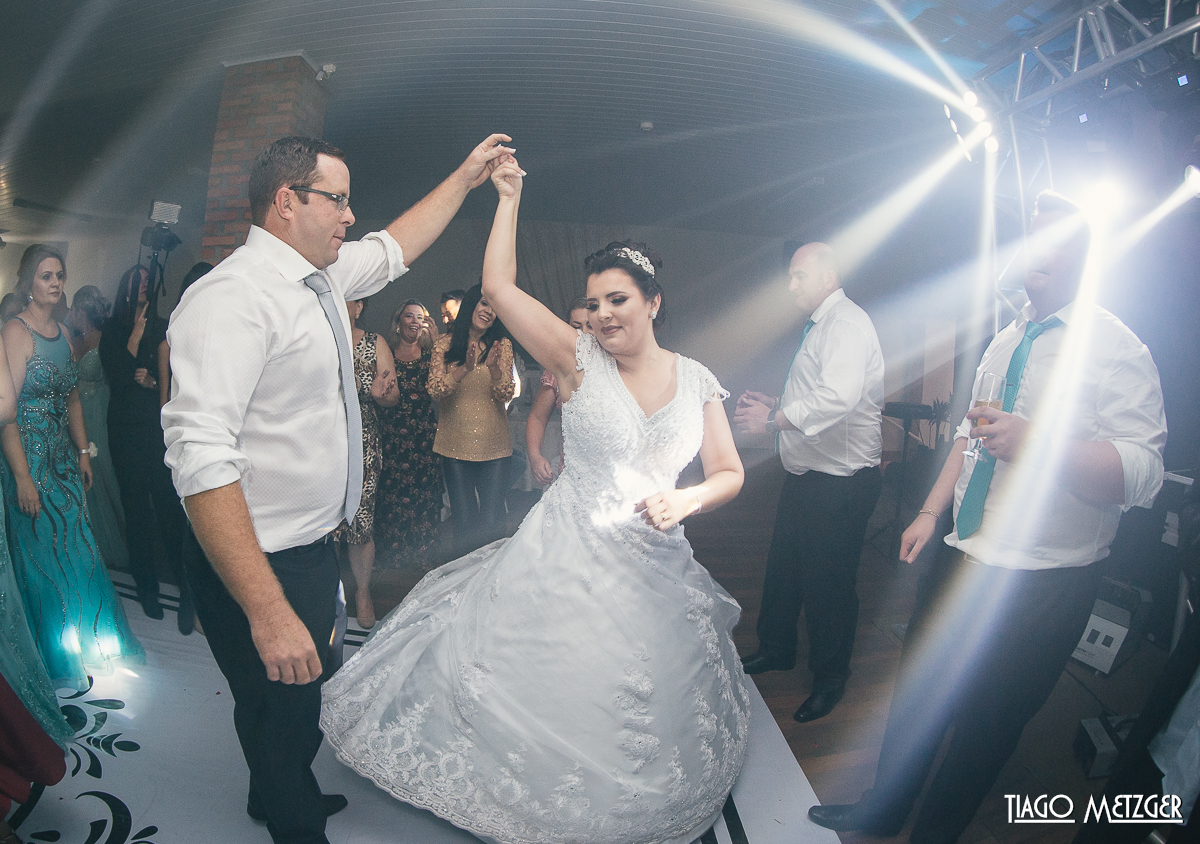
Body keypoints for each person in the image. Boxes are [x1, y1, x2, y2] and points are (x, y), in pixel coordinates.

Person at [321, 157, 750, 844]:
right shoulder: (575, 357)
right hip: (568, 552)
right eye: (595, 302)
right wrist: (509, 199)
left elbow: (728, 471)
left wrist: (688, 499)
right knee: (554, 675)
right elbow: (499, 286)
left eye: (618, 300)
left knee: (644, 692)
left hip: (655, 561)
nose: (603, 314)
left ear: (653, 303)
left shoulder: (696, 380)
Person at [162, 132, 514, 844]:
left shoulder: (321, 276)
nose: (351, 216)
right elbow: (201, 460)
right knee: (283, 705)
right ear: (287, 202)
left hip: (310, 547)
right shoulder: (231, 299)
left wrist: (465, 177)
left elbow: (394, 247)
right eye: (338, 200)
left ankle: (273, 794)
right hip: (258, 559)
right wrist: (267, 609)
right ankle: (292, 819)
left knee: (294, 698)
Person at [809, 192, 1168, 844]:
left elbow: (1144, 474)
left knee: (987, 726)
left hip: (1042, 581)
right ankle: (881, 814)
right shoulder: (1006, 339)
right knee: (917, 698)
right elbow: (967, 435)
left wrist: (1039, 443)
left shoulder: (1118, 349)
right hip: (963, 552)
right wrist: (929, 511)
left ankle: (934, 833)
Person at [733, 242, 884, 723]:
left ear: (829, 276)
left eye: (800, 275)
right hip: (808, 476)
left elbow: (837, 397)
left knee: (828, 586)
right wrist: (778, 402)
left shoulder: (846, 324)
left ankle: (830, 679)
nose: (791, 285)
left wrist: (771, 421)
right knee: (785, 570)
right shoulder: (823, 325)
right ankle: (777, 649)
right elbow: (818, 392)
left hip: (839, 482)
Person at [0, 244, 143, 691]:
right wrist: (22, 478)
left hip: (61, 459)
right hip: (27, 460)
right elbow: (6, 415)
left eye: (59, 275)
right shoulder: (15, 332)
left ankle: (86, 642)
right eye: (46, 276)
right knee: (43, 556)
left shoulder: (63, 332)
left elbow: (74, 397)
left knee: (80, 549)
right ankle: (51, 654)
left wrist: (83, 452)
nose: (56, 283)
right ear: (29, 282)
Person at [99, 264, 189, 624]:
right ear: (126, 285)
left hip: (156, 429)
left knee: (168, 508)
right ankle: (147, 589)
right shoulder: (113, 328)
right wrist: (134, 338)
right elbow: (117, 376)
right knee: (135, 509)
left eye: (148, 280)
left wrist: (152, 383)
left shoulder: (162, 325)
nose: (144, 285)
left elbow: (172, 376)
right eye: (138, 280)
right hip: (124, 429)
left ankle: (186, 590)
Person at [427, 282, 516, 557]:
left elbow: (507, 393)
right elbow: (435, 390)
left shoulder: (502, 346)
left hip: (494, 448)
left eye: (494, 308)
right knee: (464, 526)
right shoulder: (444, 344)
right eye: (484, 303)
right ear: (471, 305)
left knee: (491, 524)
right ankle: (465, 580)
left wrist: (495, 370)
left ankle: (491, 579)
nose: (489, 312)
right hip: (454, 448)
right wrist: (464, 368)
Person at [338, 297, 399, 629]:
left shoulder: (375, 343)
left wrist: (381, 394)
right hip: (318, 438)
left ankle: (362, 592)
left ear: (358, 307)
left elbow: (393, 396)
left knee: (360, 518)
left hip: (362, 441)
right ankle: (319, 591)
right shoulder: (315, 335)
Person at [374, 300, 442, 571]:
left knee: (424, 494)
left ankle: (423, 556)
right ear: (398, 322)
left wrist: (437, 346)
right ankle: (392, 557)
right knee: (391, 495)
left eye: (420, 317)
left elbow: (444, 389)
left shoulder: (430, 355)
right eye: (409, 316)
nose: (415, 321)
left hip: (423, 436)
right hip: (392, 435)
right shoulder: (386, 354)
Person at [68, 285, 130, 575]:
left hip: (100, 411)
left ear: (82, 311)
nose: (71, 314)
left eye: (74, 309)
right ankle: (98, 543)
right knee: (84, 474)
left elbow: (117, 375)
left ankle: (126, 539)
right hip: (78, 413)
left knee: (106, 470)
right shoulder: (72, 340)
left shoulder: (105, 339)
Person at [525, 296, 590, 485]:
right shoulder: (558, 369)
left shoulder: (618, 365)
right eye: (576, 327)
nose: (584, 333)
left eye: (590, 326)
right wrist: (535, 457)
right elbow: (537, 418)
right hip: (570, 473)